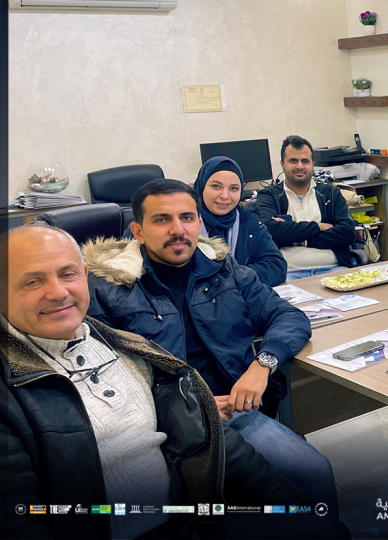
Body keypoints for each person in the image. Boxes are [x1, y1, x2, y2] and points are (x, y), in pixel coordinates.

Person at [1, 224, 348, 540]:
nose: (57, 292)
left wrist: (301, 517)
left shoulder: (128, 348)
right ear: (138, 230)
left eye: (68, 274)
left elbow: (207, 438)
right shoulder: (113, 297)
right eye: (32, 281)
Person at [82, 179, 340, 518]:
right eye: (162, 220)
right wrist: (188, 408)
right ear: (138, 231)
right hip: (160, 425)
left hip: (235, 412)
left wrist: (263, 363)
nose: (178, 229)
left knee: (313, 472)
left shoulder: (224, 269)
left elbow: (288, 316)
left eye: (187, 218)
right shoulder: (107, 289)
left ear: (199, 223)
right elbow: (100, 380)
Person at [256, 135, 357, 280]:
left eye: (305, 161)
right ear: (282, 164)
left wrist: (299, 239)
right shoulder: (269, 195)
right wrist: (318, 226)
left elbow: (347, 233)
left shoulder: (331, 194)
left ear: (312, 164)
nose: (300, 166)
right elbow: (270, 231)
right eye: (293, 161)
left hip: (334, 269)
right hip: (287, 273)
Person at [194, 155, 287, 287]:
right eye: (216, 186)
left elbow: (276, 267)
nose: (225, 196)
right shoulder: (184, 223)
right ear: (202, 186)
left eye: (234, 188)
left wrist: (228, 277)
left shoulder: (248, 222)